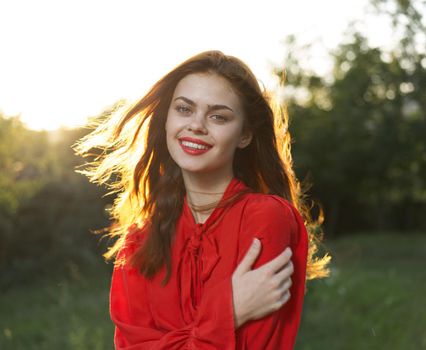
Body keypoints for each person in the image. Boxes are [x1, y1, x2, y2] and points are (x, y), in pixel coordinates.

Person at [74, 50, 330, 349]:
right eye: (184, 109)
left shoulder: (267, 218)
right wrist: (230, 313)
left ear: (244, 135)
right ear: (167, 119)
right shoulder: (140, 239)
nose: (197, 125)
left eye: (218, 116)